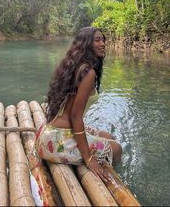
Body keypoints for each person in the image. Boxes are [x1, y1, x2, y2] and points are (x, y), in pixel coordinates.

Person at [36, 27, 122, 180]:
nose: (102, 44)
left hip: (48, 134)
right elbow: (76, 116)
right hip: (57, 143)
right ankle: (113, 180)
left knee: (107, 135)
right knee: (117, 149)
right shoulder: (88, 72)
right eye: (97, 40)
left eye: (103, 40)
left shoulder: (73, 65)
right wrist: (88, 159)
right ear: (86, 44)